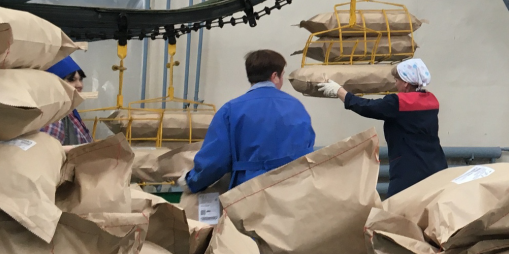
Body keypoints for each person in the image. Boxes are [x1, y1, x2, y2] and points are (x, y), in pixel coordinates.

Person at [184, 50, 316, 193]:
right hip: (293, 189)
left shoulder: (231, 110)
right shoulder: (297, 107)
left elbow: (214, 160)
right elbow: (307, 152)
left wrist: (192, 181)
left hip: (249, 192)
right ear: (275, 76)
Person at [318, 58, 447, 196]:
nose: (395, 83)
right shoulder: (431, 100)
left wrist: (340, 91)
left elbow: (367, 107)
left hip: (409, 172)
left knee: (397, 206)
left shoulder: (398, 103)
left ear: (405, 83)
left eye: (397, 80)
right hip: (436, 167)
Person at [41, 56, 94, 145]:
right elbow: (47, 150)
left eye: (80, 79)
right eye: (71, 80)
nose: (80, 85)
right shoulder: (54, 118)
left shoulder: (70, 111)